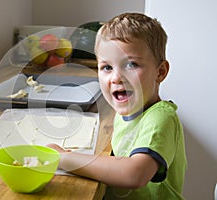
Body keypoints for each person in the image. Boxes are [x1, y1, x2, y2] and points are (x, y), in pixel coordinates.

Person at [48, 12, 187, 199]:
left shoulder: (161, 118)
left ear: (160, 72)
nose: (116, 78)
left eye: (131, 65)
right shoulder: (124, 112)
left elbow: (134, 174)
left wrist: (64, 158)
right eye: (107, 67)